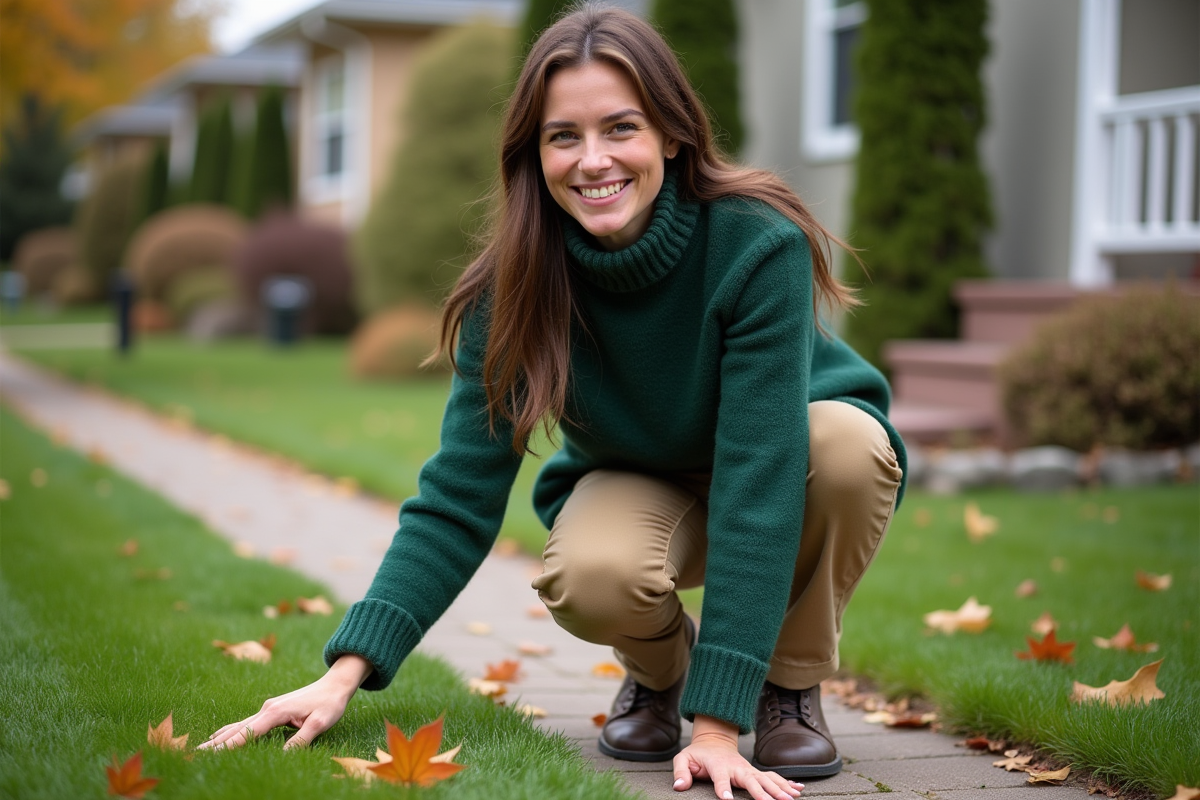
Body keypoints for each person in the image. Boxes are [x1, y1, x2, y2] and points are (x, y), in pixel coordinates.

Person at [199, 6, 906, 799]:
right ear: (533, 154)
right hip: (642, 475)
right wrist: (340, 676)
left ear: (672, 135)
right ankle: (662, 674)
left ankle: (786, 685)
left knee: (848, 448)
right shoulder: (514, 284)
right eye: (563, 136)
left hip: (790, 460)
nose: (593, 160)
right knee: (590, 574)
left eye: (621, 128)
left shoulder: (755, 244)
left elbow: (759, 482)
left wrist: (716, 732)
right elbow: (457, 497)